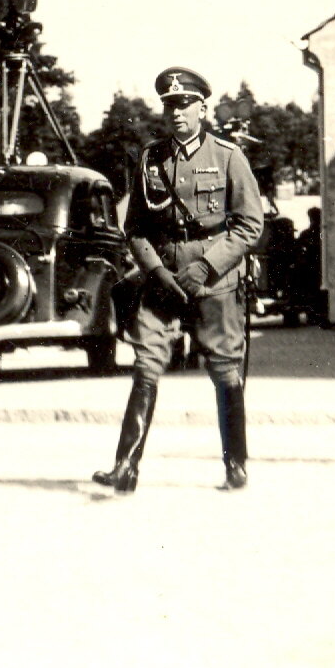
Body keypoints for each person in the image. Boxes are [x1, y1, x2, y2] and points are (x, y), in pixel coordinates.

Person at [92, 66, 263, 493]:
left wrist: (206, 266)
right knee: (146, 363)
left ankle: (235, 464)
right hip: (163, 279)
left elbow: (250, 225)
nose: (176, 113)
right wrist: (155, 271)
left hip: (214, 280)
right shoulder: (151, 158)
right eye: (169, 105)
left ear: (203, 109)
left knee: (224, 367)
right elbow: (134, 228)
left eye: (185, 104)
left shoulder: (227, 156)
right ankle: (125, 467)